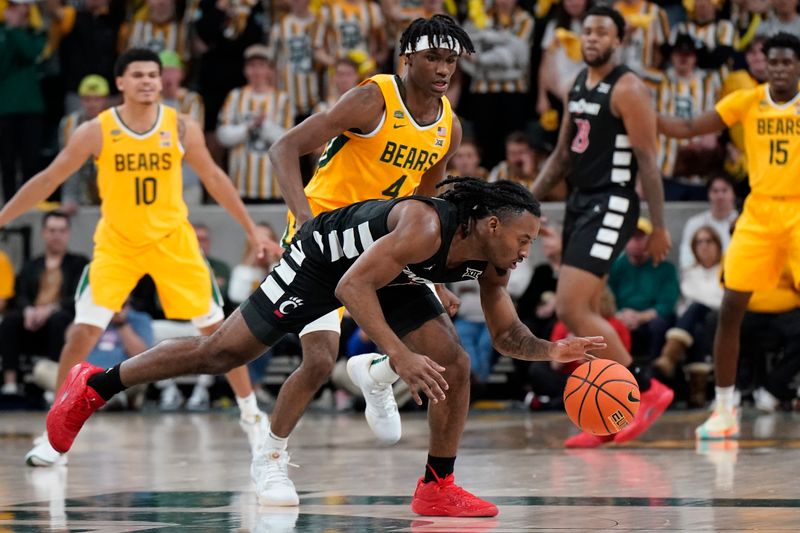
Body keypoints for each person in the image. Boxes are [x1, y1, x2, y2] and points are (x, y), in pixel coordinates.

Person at [44, 178, 607, 517]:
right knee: (221, 353)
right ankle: (94, 384)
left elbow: (508, 335)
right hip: (322, 262)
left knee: (456, 364)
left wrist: (553, 352)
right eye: (524, 239)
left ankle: (438, 486)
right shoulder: (425, 227)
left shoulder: (492, 258)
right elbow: (350, 287)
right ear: (488, 225)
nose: (526, 251)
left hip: (393, 274)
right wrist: (402, 356)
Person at [0, 48, 280, 466]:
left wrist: (251, 228)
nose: (149, 81)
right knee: (82, 333)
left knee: (218, 333)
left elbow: (215, 178)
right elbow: (48, 178)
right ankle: (53, 432)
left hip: (172, 241)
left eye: (154, 74)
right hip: (117, 244)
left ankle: (252, 416)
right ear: (121, 83)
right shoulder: (96, 131)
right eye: (138, 74)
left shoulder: (181, 125)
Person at [261, 14, 472, 501]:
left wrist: (434, 273)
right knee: (318, 359)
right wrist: (304, 221)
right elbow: (283, 148)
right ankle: (270, 456)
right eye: (432, 58)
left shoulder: (448, 129)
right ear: (407, 59)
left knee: (449, 354)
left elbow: (426, 197)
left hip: (383, 238)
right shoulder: (372, 98)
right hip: (324, 233)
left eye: (450, 60)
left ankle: (376, 373)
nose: (443, 69)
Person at [531, 6, 674, 448]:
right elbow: (560, 156)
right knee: (588, 315)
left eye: (601, 32)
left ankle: (646, 388)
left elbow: (648, 164)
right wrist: (524, 202)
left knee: (572, 308)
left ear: (619, 39)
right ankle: (611, 419)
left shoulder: (629, 88)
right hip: (580, 202)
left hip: (612, 203)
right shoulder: (577, 83)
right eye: (586, 30)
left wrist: (660, 227)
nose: (591, 37)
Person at [657, 32, 800, 440]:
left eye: (787, 62)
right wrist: (640, 115)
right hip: (758, 210)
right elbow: (686, 126)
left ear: (798, 66)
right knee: (730, 306)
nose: (778, 68)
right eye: (772, 61)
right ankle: (724, 409)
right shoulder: (748, 100)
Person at [0, 212, 88, 397]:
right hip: (31, 320)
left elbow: (78, 296)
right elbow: (20, 293)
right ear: (44, 233)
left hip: (61, 318)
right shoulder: (31, 265)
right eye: (52, 230)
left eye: (62, 230)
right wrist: (28, 310)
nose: (57, 235)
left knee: (59, 319)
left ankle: (53, 382)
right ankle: (10, 383)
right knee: (10, 320)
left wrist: (50, 309)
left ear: (68, 233)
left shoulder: (79, 264)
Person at [60, 75, 110, 214]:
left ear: (105, 100)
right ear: (81, 100)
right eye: (87, 99)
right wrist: (69, 198)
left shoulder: (115, 122)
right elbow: (66, 163)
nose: (92, 104)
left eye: (97, 99)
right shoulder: (70, 123)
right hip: (83, 184)